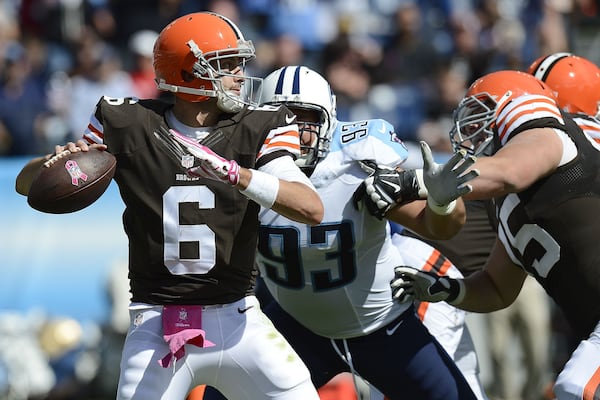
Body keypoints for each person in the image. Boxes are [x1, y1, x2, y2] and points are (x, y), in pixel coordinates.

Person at [15, 12, 326, 400]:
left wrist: (238, 175)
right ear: (190, 72)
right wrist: (56, 162)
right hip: (155, 321)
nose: (239, 75)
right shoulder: (128, 123)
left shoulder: (259, 126)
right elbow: (25, 184)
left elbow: (311, 208)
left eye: (239, 63)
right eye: (226, 64)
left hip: (239, 318)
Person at [236, 65, 480, 399]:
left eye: (304, 118)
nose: (293, 132)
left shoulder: (353, 165)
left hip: (383, 329)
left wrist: (440, 202)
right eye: (280, 118)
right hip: (295, 329)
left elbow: (441, 228)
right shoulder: (246, 174)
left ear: (329, 121)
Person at [389, 69, 600, 400]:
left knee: (576, 387)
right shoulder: (504, 203)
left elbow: (511, 171)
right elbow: (497, 288)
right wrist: (451, 289)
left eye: (481, 116)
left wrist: (415, 182)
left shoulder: (550, 134)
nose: (471, 132)